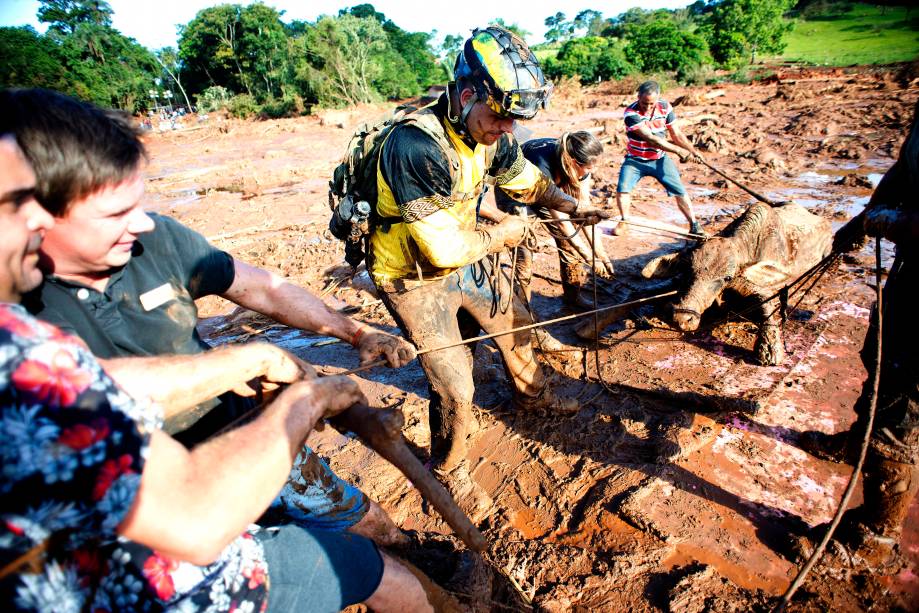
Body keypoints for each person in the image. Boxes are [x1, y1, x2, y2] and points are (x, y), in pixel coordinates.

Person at [0, 133, 435, 612]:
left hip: (253, 432)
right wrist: (289, 389)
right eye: (114, 214)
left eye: (138, 204)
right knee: (359, 572)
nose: (142, 223)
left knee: (359, 518)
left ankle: (406, 548)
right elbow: (94, 396)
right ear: (40, 215)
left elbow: (261, 289)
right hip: (161, 506)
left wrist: (353, 333)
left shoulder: (156, 241)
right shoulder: (18, 315)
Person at [368, 26, 608, 477]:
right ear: (464, 94)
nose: (507, 128)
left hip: (465, 254)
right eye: (498, 114)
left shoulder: (490, 135)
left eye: (513, 120)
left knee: (515, 320)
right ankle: (447, 460)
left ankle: (533, 395)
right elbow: (443, 250)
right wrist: (505, 233)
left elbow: (526, 180)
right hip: (411, 276)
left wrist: (572, 207)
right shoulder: (414, 146)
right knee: (455, 381)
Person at [798, 101, 919, 568]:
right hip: (913, 271)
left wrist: (893, 223)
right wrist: (864, 216)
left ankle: (873, 537)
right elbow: (906, 168)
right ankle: (859, 441)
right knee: (881, 353)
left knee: (904, 400)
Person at [482, 130, 615, 315]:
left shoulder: (582, 165)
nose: (592, 172)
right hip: (516, 193)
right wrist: (589, 258)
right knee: (523, 252)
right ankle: (524, 310)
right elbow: (561, 221)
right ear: (574, 163)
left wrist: (601, 255)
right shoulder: (542, 163)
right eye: (589, 168)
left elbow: (585, 212)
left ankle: (572, 297)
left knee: (568, 244)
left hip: (551, 189)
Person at [611, 80, 706, 237]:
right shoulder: (631, 113)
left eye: (651, 104)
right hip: (635, 160)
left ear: (658, 99)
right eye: (644, 103)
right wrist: (679, 151)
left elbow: (676, 134)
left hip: (659, 159)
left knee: (680, 191)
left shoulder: (666, 108)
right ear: (638, 97)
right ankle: (624, 221)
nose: (647, 107)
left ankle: (694, 224)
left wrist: (692, 151)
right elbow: (652, 139)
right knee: (623, 189)